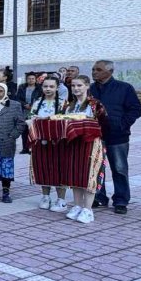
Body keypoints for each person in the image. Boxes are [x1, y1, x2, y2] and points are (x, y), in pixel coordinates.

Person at [90, 60, 141, 214]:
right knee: (97, 168)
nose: (94, 72)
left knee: (119, 169)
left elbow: (135, 109)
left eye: (98, 69)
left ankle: (121, 200)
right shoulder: (91, 89)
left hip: (117, 136)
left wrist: (122, 124)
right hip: (96, 136)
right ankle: (99, 197)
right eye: (93, 69)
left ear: (110, 71)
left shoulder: (124, 88)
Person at [63, 75, 110, 223]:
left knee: (90, 175)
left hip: (91, 144)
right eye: (73, 86)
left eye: (79, 85)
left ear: (87, 86)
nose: (76, 88)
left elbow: (104, 124)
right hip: (73, 144)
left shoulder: (95, 104)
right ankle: (77, 205)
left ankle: (88, 209)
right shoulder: (68, 105)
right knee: (75, 175)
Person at [26, 76, 69, 211]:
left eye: (51, 86)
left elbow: (66, 121)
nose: (48, 89)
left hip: (58, 143)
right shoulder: (37, 102)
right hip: (40, 142)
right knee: (42, 168)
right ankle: (45, 197)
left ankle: (61, 200)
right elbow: (30, 119)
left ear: (57, 88)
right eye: (45, 86)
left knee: (59, 170)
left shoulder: (64, 103)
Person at [15, 72, 40, 154]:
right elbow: (17, 98)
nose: (31, 80)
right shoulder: (22, 87)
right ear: (26, 79)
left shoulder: (39, 88)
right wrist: (24, 104)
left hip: (35, 111)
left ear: (35, 79)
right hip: (24, 111)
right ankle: (25, 148)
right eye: (29, 78)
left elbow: (40, 98)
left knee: (32, 130)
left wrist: (33, 105)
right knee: (24, 130)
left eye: (33, 79)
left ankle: (32, 148)